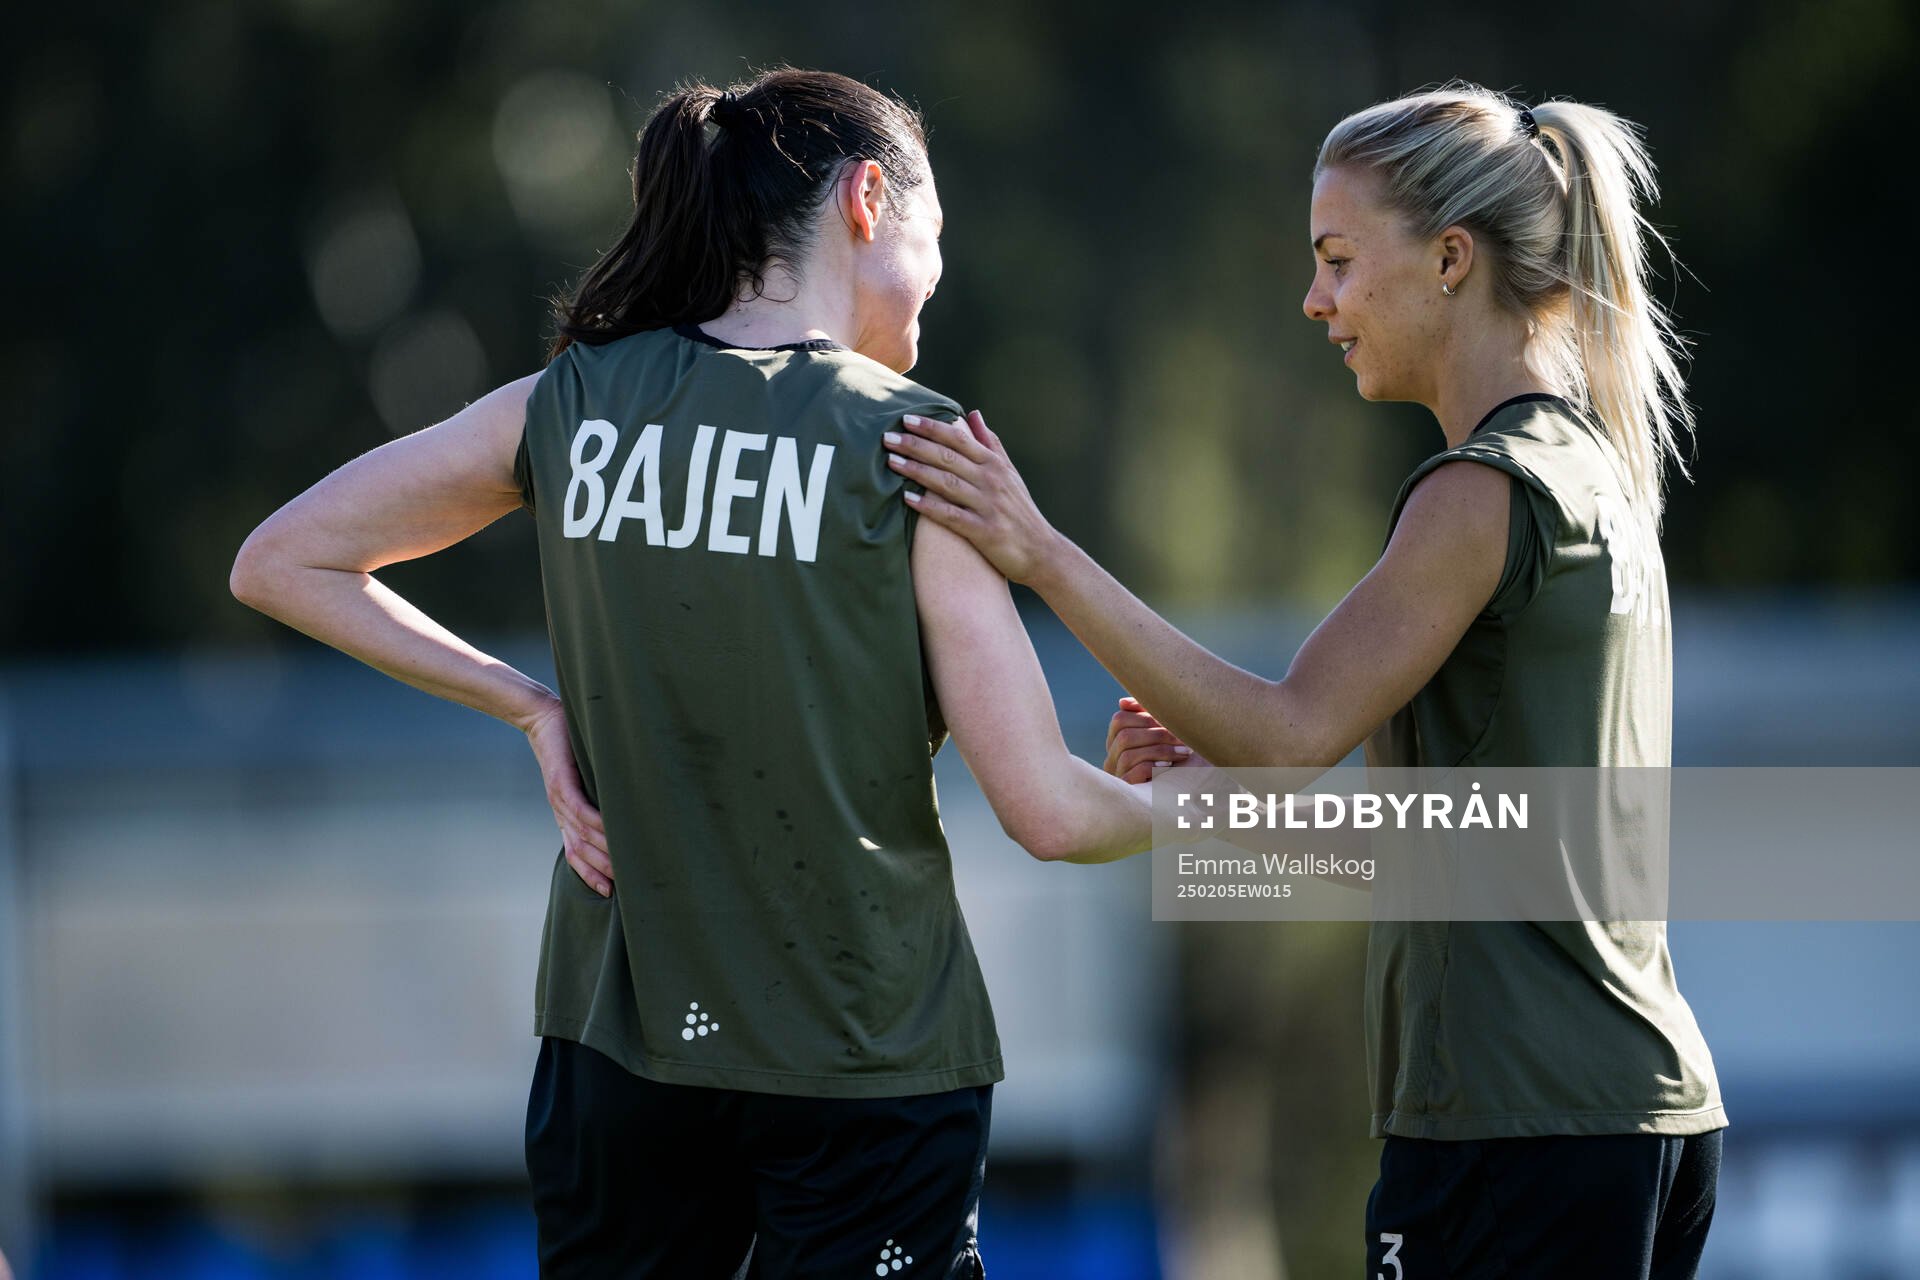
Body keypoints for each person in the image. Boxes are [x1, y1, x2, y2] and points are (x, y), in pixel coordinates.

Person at [231, 68, 1149, 1279]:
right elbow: (1044, 808)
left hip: (619, 1059)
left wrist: (527, 706)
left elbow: (282, 560)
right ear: (870, 200)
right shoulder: (919, 452)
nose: (938, 276)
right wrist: (1191, 813)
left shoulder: (568, 405)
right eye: (937, 236)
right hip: (861, 1061)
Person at [882, 84, 1725, 1278]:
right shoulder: (1591, 479)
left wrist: (1038, 552)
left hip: (1517, 1122)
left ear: (1448, 259)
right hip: (1640, 1110)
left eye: (1337, 260)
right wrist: (1195, 807)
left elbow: (1289, 732)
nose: (1316, 299)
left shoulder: (1479, 492)